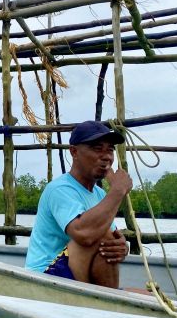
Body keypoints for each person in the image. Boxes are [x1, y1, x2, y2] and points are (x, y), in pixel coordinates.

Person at [25, 121, 132, 288]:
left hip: (76, 276)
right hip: (45, 277)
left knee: (149, 296)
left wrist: (121, 247)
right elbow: (84, 234)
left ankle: (106, 302)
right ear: (74, 151)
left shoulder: (100, 194)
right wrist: (117, 191)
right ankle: (108, 305)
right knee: (100, 235)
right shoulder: (59, 189)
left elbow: (113, 236)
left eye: (110, 149)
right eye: (97, 148)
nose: (106, 156)